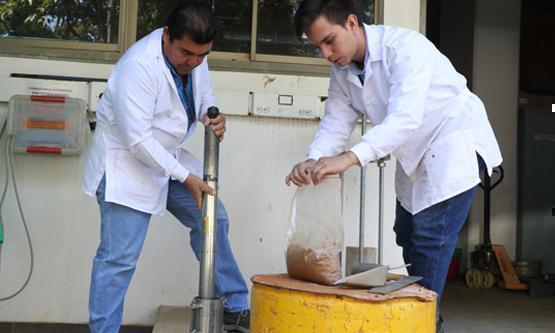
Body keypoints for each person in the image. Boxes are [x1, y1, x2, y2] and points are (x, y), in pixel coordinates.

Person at [287, 0, 502, 331]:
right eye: (319, 47)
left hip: (452, 147)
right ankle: (424, 315)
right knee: (406, 234)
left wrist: (348, 158)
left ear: (352, 23)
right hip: (415, 155)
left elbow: (405, 119)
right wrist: (313, 160)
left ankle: (423, 322)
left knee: (430, 239)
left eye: (330, 40)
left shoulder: (405, 48)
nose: (327, 53)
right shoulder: (342, 71)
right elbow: (335, 121)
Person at [82, 2, 250, 332]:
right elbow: (139, 141)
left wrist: (209, 115)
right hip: (126, 166)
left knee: (213, 219)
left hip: (166, 161)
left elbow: (203, 94)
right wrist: (186, 177)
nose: (193, 62)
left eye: (202, 55)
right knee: (119, 260)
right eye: (186, 53)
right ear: (167, 35)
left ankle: (234, 305)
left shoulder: (195, 57)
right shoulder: (139, 66)